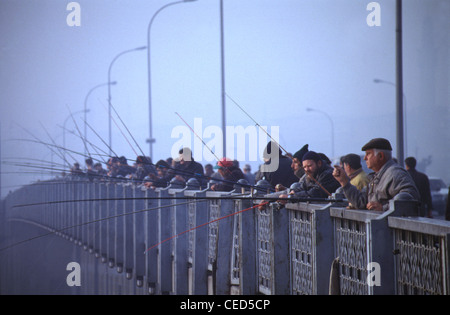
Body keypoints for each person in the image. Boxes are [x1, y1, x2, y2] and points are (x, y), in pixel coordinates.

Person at [333, 138, 420, 211]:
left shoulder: (395, 174)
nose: (365, 158)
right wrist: (343, 181)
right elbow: (361, 202)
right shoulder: (376, 177)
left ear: (381, 156)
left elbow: (410, 199)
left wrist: (384, 208)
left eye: (368, 154)